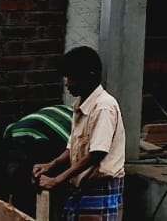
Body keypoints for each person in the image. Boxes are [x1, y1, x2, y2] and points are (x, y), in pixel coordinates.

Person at [33, 46, 126, 220]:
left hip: (101, 186)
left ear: (89, 77)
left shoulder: (103, 107)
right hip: (83, 185)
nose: (67, 83)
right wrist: (50, 165)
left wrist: (57, 180)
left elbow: (96, 154)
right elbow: (73, 148)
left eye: (72, 78)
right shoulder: (81, 106)